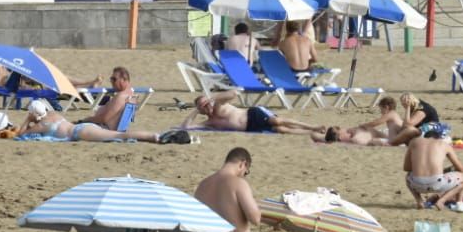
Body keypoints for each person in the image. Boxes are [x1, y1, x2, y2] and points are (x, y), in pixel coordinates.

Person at [403, 123, 463, 209]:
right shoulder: (444, 144)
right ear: (439, 138)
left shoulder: (414, 142)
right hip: (438, 183)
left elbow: (406, 168)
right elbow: (460, 167)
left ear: (425, 137)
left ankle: (419, 201)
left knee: (408, 176)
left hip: (417, 184)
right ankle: (442, 201)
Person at [17, 97, 164, 143]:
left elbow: (21, 134)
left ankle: (153, 136)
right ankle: (153, 136)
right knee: (116, 135)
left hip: (80, 132)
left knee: (118, 136)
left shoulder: (42, 125)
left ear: (33, 113)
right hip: (82, 128)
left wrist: (27, 120)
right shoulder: (53, 114)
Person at [182, 93, 325, 136]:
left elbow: (234, 93)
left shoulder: (218, 105)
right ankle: (309, 132)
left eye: (207, 104)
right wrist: (195, 110)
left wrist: (212, 98)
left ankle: (313, 126)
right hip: (250, 128)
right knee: (280, 130)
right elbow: (186, 127)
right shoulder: (209, 123)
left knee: (277, 122)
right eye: (204, 107)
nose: (208, 107)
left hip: (252, 114)